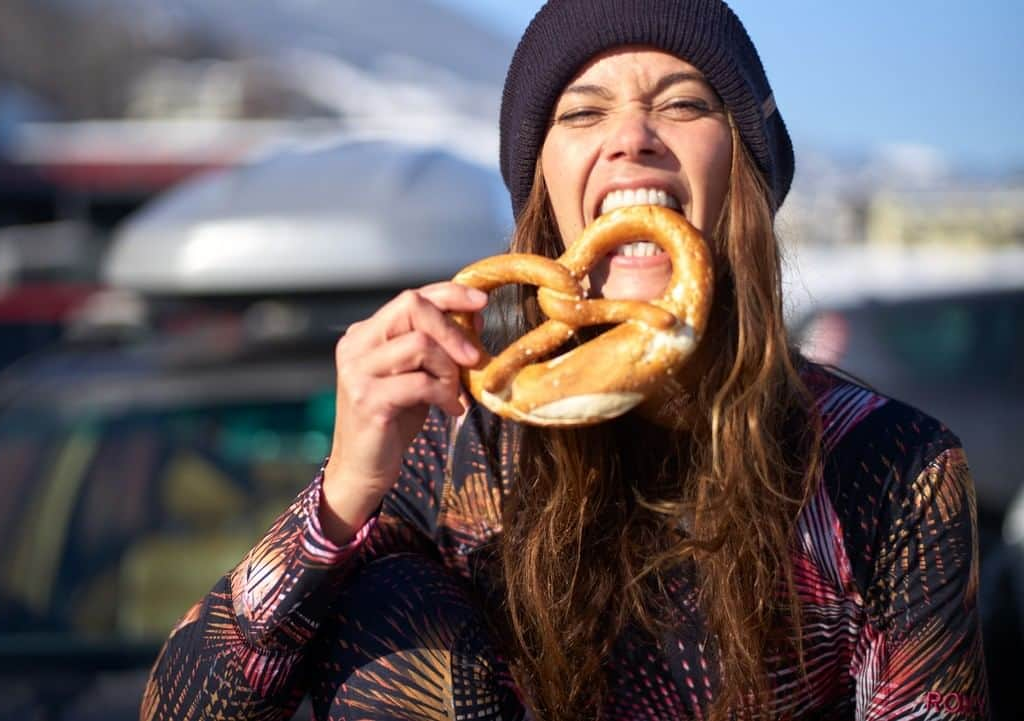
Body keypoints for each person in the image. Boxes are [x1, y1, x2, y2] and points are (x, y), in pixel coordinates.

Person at [140, 1, 990, 719]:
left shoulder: (892, 467)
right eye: (583, 113)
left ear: (746, 168)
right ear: (543, 187)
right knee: (391, 600)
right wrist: (339, 496)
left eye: (685, 103)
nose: (631, 138)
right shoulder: (456, 443)